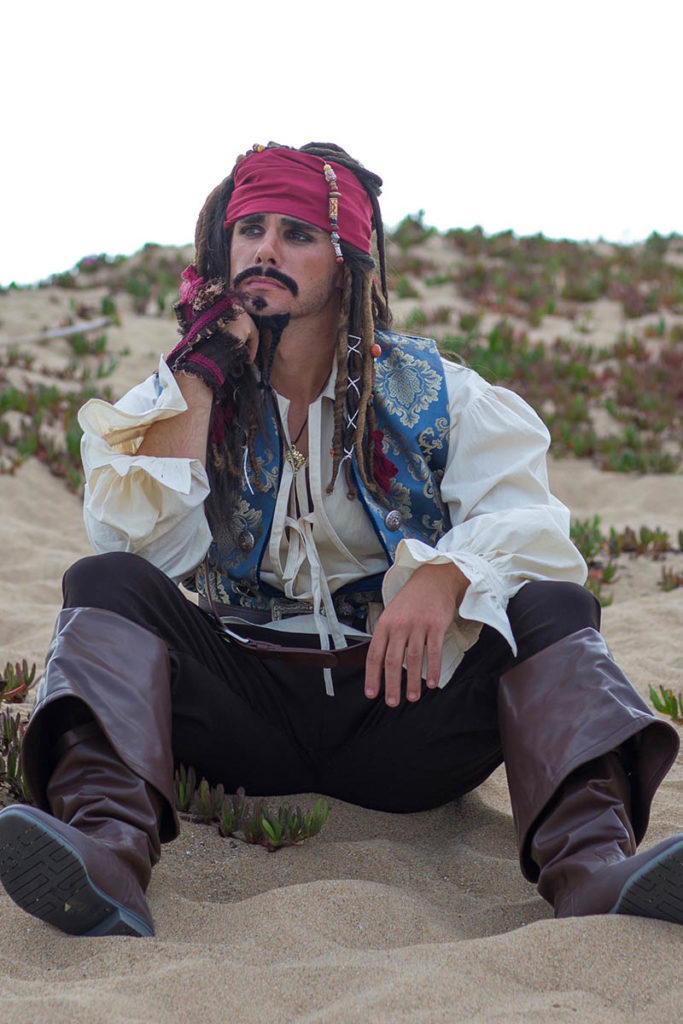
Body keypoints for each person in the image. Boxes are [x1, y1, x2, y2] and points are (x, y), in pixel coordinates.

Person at [0, 142, 681, 938]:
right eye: (249, 230)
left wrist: (445, 577)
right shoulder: (180, 391)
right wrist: (199, 376)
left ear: (347, 263)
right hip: (238, 719)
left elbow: (528, 521)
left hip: (401, 716)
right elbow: (140, 550)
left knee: (553, 607)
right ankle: (107, 854)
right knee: (104, 582)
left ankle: (593, 870)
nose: (265, 250)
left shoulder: (438, 392)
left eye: (296, 234)